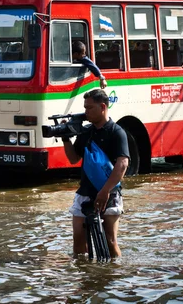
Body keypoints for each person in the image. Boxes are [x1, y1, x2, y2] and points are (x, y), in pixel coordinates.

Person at [62, 88, 129, 258]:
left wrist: (105, 191)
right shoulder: (86, 132)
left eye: (89, 108)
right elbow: (73, 158)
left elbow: (122, 164)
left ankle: (114, 276)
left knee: (110, 241)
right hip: (84, 191)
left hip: (110, 193)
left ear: (103, 107)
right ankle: (86, 277)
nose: (86, 112)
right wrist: (65, 138)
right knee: (78, 240)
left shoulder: (116, 132)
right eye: (85, 107)